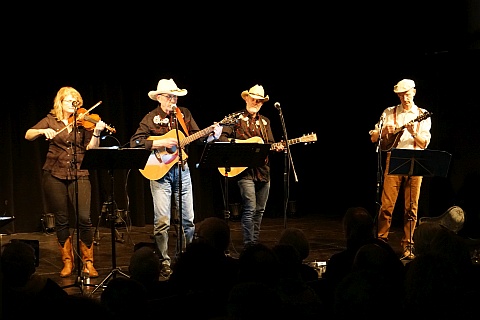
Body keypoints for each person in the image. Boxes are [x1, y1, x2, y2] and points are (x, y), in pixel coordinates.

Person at [129, 78, 222, 278]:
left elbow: (197, 136)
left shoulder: (184, 114)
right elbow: (135, 141)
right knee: (162, 221)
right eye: (169, 96)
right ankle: (164, 260)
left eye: (175, 96)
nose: (173, 100)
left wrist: (213, 135)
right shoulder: (151, 117)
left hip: (183, 170)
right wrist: (160, 143)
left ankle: (188, 257)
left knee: (188, 219)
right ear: (159, 98)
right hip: (160, 173)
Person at [25, 86, 107, 278]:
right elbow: (28, 134)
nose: (74, 104)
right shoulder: (51, 120)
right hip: (54, 173)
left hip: (80, 172)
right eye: (70, 101)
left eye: (76, 101)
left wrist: (96, 132)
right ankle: (68, 262)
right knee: (61, 219)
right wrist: (43, 131)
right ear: (60, 102)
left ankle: (88, 262)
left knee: (84, 218)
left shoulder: (84, 121)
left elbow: (91, 149)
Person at [369, 79, 431, 260]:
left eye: (407, 93)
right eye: (401, 95)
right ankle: (381, 242)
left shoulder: (423, 114)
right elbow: (374, 138)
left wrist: (413, 132)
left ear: (414, 92)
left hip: (415, 160)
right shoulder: (389, 112)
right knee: (386, 205)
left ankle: (408, 246)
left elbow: (424, 143)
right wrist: (385, 132)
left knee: (411, 207)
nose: (405, 98)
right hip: (394, 159)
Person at [217, 84, 284, 249]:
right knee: (250, 208)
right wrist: (243, 144)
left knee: (259, 210)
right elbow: (222, 139)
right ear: (246, 98)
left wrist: (278, 147)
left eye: (260, 101)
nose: (257, 103)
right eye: (254, 99)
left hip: (263, 171)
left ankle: (254, 242)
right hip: (244, 172)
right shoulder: (235, 119)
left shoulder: (265, 122)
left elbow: (269, 144)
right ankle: (249, 245)